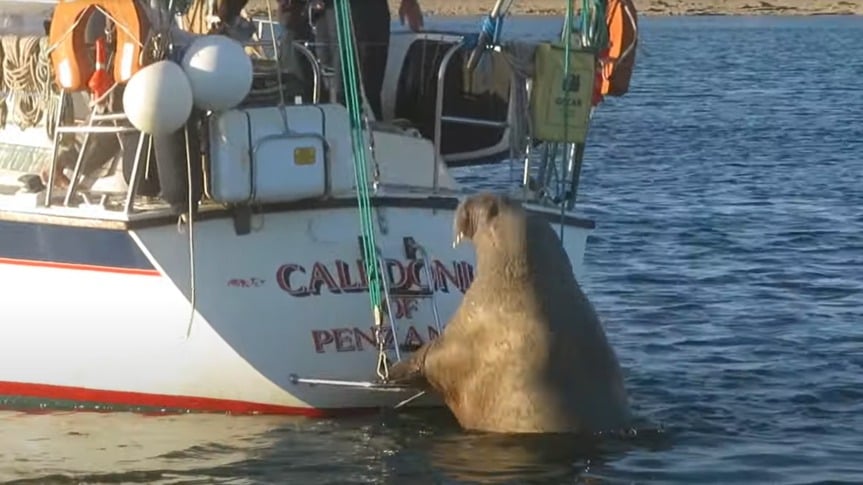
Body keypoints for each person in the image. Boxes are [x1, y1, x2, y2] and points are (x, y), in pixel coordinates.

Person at [279, 0, 423, 121]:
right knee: (313, 90)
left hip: (358, 14)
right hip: (313, 15)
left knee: (353, 96)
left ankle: (366, 143)